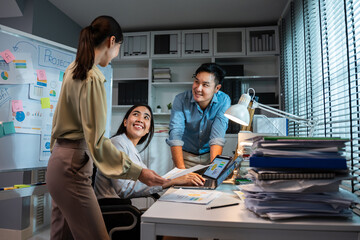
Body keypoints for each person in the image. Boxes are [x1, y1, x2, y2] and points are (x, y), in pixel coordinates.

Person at [46, 16, 167, 240]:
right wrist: (140, 173)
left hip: (57, 163)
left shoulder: (72, 69)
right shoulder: (92, 77)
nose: (117, 53)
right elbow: (98, 143)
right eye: (119, 47)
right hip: (72, 166)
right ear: (112, 41)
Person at [95, 104, 205, 200]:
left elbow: (146, 181)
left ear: (148, 129)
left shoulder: (130, 148)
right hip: (113, 209)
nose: (140, 119)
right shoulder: (116, 143)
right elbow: (125, 189)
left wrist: (177, 179)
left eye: (146, 117)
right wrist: (171, 181)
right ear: (125, 122)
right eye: (136, 114)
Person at [166, 63, 231, 169]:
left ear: (217, 88)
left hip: (209, 156)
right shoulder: (181, 100)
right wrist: (181, 173)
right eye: (196, 81)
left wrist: (213, 171)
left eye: (205, 85)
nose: (198, 88)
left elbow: (217, 137)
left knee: (211, 182)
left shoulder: (223, 101)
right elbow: (175, 135)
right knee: (182, 184)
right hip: (185, 157)